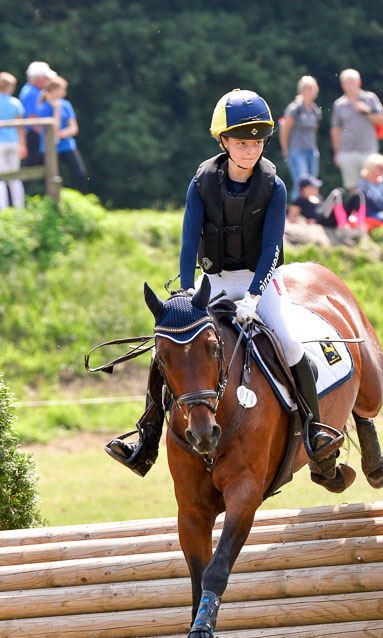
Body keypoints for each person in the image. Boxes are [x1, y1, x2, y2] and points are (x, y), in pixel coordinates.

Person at [106, 89, 343, 485]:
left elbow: (271, 249)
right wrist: (184, 294)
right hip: (211, 282)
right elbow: (188, 241)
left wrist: (253, 296)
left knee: (289, 343)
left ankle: (316, 432)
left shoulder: (274, 186)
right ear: (224, 142)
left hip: (260, 281)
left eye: (256, 143)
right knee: (173, 344)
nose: (250, 150)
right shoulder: (202, 182)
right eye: (241, 142)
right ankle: (147, 436)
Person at [330, 68, 383, 193]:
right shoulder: (339, 104)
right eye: (347, 82)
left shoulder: (370, 98)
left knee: (371, 184)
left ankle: (370, 211)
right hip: (347, 151)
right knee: (352, 188)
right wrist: (337, 152)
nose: (350, 85)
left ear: (359, 82)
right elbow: (335, 129)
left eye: (352, 81)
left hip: (368, 150)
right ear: (342, 85)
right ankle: (357, 212)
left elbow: (382, 120)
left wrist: (367, 111)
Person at [37, 76, 88, 193]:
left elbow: (74, 128)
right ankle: (56, 202)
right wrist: (56, 109)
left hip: (67, 145)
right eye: (62, 89)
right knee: (53, 178)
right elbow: (53, 131)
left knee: (80, 174)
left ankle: (81, 199)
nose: (65, 92)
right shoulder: (43, 108)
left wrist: (65, 132)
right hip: (50, 148)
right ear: (54, 90)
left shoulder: (66, 104)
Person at [279, 75, 322, 201]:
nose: (310, 91)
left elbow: (314, 131)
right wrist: (286, 151)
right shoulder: (295, 109)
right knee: (301, 183)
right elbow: (284, 131)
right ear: (301, 90)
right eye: (307, 88)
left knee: (312, 184)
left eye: (312, 88)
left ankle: (309, 213)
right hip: (296, 149)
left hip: (311, 149)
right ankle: (295, 212)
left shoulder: (315, 111)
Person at [287, 172, 365, 230]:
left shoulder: (319, 197)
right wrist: (304, 222)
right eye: (313, 187)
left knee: (358, 194)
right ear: (304, 189)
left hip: (332, 218)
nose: (316, 189)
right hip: (322, 219)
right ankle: (343, 226)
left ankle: (360, 225)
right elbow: (291, 218)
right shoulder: (299, 201)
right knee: (337, 193)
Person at [18, 61, 56, 167]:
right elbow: (32, 118)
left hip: (32, 134)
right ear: (38, 78)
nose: (48, 81)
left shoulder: (30, 90)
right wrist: (46, 135)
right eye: (45, 78)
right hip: (33, 136)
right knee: (32, 167)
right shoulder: (32, 93)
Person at [0, 72, 27, 210]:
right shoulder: (15, 102)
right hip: (13, 142)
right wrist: (23, 144)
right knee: (15, 176)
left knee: (0, 178)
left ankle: (2, 209)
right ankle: (19, 207)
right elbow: (20, 127)